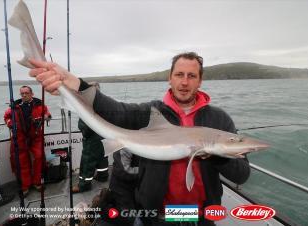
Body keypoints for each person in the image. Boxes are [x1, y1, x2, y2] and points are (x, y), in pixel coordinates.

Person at [28, 52, 250, 226]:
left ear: (200, 81)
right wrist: (75, 84)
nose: (184, 82)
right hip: (158, 215)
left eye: (191, 76)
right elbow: (117, 111)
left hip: (203, 215)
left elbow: (242, 174)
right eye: (179, 75)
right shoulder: (151, 112)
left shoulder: (219, 120)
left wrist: (216, 154)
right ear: (169, 78)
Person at [4, 86, 51, 196]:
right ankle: (25, 186)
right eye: (22, 93)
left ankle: (37, 182)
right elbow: (6, 117)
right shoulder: (14, 107)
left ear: (32, 93)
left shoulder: (40, 104)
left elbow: (48, 114)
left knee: (39, 157)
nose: (24, 95)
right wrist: (10, 123)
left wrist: (46, 117)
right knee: (21, 162)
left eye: (26, 93)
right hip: (20, 137)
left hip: (36, 136)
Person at [72, 119, 109, 193]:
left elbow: (85, 126)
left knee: (87, 160)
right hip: (104, 134)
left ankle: (84, 185)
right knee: (102, 156)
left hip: (92, 137)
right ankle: (103, 176)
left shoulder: (90, 106)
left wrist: (85, 133)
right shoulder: (105, 107)